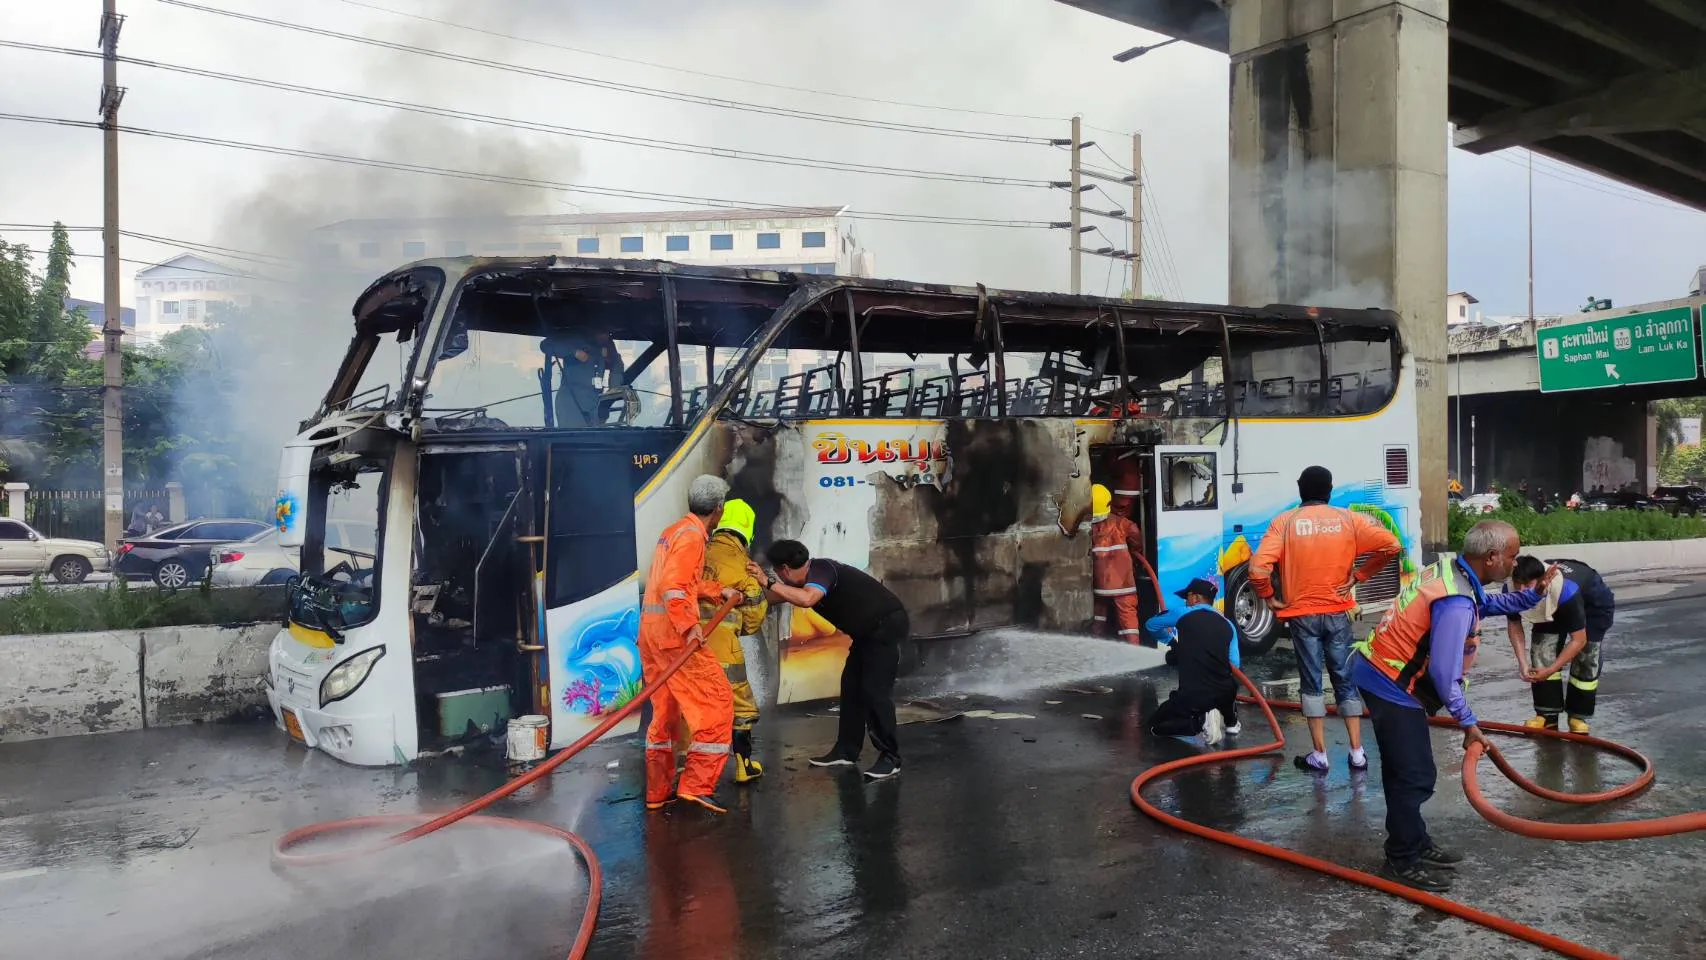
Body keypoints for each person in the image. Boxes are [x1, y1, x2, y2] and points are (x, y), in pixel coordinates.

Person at [1349, 520, 1555, 891]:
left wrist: (1530, 596)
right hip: (1391, 684)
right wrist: (1468, 723)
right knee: (1414, 775)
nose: (1515, 564)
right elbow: (1445, 676)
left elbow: (1486, 603)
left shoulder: (1452, 571)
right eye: (1511, 556)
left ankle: (1413, 839)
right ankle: (1402, 856)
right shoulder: (1456, 602)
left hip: (1382, 674)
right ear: (1491, 557)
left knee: (1404, 771)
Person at [1248, 465, 1402, 773]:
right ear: (1329, 491)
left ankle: (1320, 755)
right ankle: (1357, 753)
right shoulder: (1348, 519)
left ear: (1300, 489)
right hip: (1337, 611)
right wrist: (1359, 576)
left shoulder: (1285, 522)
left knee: (1311, 683)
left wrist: (1267, 596)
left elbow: (1257, 569)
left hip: (1302, 616)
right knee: (1344, 680)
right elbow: (1392, 545)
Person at [758, 539, 908, 781]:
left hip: (886, 625)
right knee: (851, 687)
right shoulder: (804, 580)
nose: (778, 577)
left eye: (776, 572)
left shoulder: (822, 570)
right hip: (865, 633)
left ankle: (891, 759)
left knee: (874, 692)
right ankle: (846, 751)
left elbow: (807, 598)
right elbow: (779, 596)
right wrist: (746, 596)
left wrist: (768, 582)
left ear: (784, 569)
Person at [639, 475, 744, 814]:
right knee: (717, 701)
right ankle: (696, 785)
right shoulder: (693, 538)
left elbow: (680, 582)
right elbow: (674, 587)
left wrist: (717, 591)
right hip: (673, 636)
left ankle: (658, 792)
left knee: (666, 713)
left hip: (652, 635)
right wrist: (688, 628)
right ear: (719, 508)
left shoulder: (674, 531)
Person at [698, 497, 769, 783]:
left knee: (691, 705)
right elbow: (753, 618)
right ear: (746, 531)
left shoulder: (695, 551)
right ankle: (743, 766)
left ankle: (688, 772)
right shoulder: (745, 566)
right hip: (723, 649)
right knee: (740, 706)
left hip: (684, 645)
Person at [1506, 555, 1616, 734]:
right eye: (1518, 584)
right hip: (1548, 602)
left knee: (1586, 657)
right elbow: (1514, 624)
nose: (1521, 590)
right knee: (1542, 650)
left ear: (1544, 579)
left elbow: (1578, 640)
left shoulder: (1566, 591)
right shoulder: (1511, 589)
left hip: (1592, 607)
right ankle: (1546, 715)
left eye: (1527, 585)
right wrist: (1522, 663)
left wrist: (1551, 670)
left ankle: (1578, 716)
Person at [1143, 577, 1240, 746]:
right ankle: (1231, 724)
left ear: (1196, 598)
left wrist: (1173, 643)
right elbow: (1235, 665)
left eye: (1187, 597)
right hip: (1225, 693)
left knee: (1152, 727)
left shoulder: (1183, 613)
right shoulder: (1228, 624)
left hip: (1192, 696)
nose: (1186, 602)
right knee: (1227, 688)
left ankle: (1200, 722)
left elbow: (1151, 625)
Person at [1088, 483, 1146, 644]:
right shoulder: (1122, 523)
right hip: (1123, 584)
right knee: (1128, 621)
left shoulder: (1087, 529)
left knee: (1098, 617)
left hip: (1099, 586)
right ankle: (1133, 652)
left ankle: (1094, 646)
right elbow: (1136, 536)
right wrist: (1136, 552)